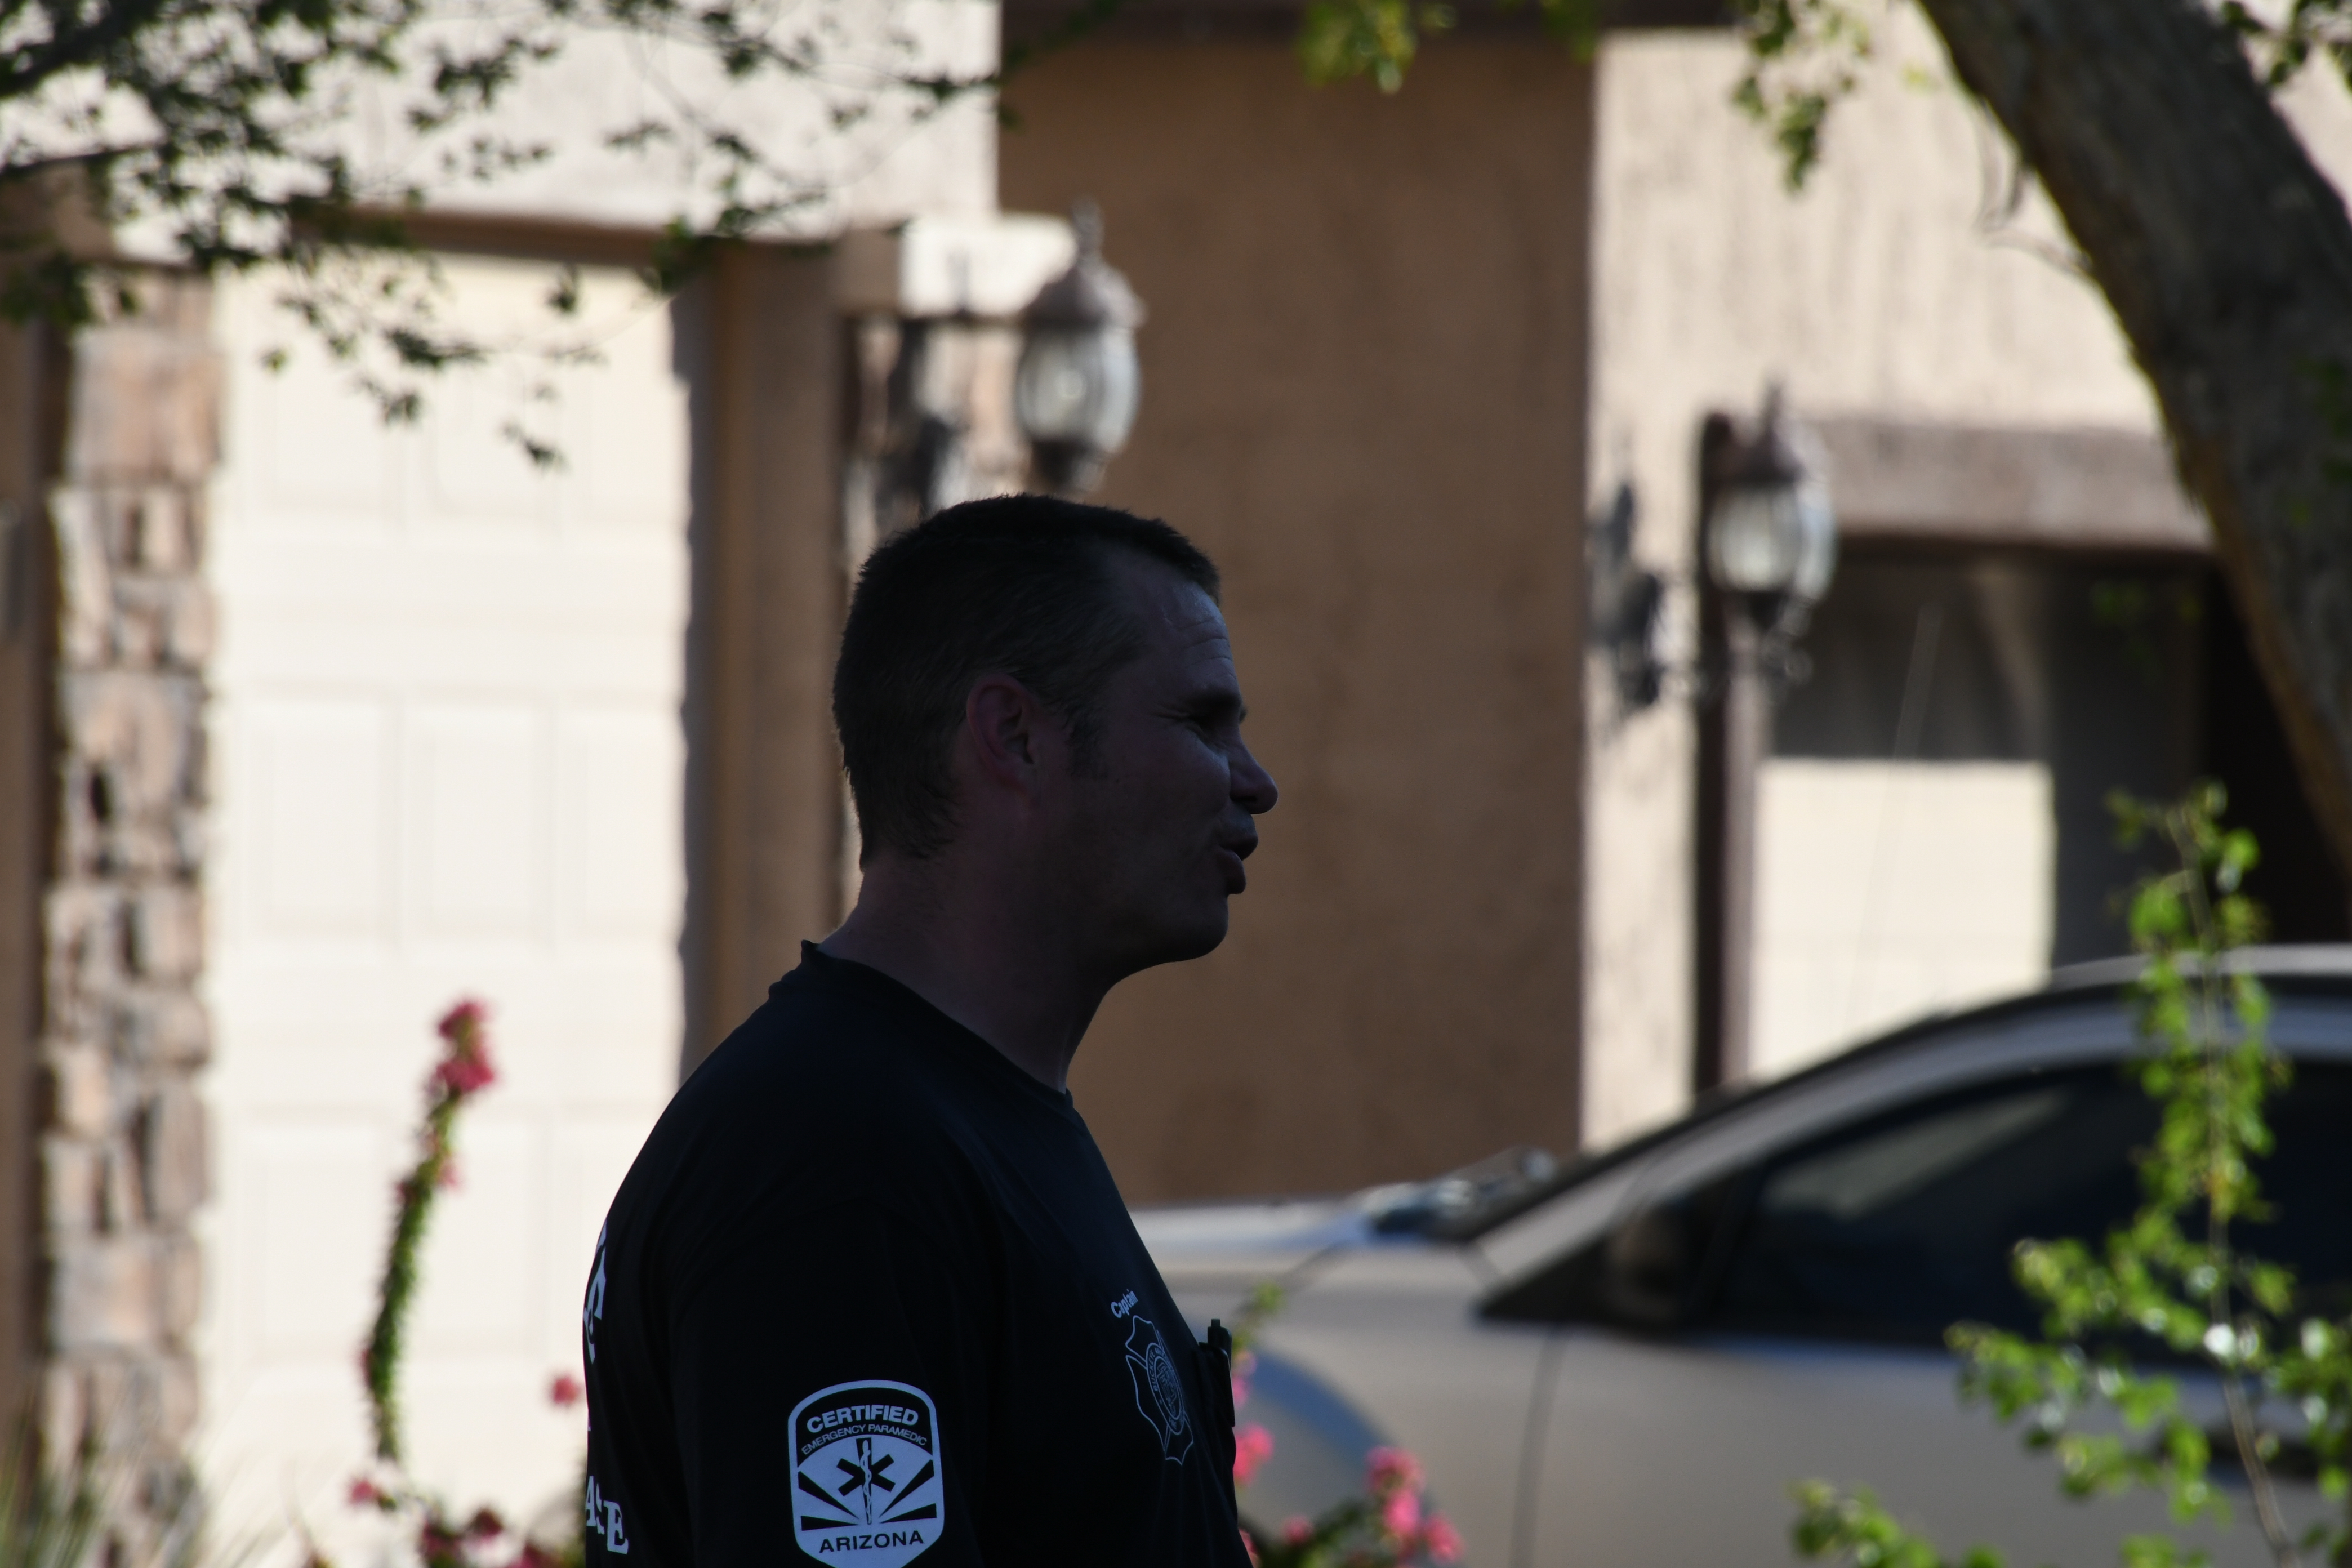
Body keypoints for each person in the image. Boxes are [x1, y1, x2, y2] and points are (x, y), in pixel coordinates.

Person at [580, 495, 1280, 1568]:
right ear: (1014, 737)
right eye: (1201, 722)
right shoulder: (844, 1164)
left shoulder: (949, 1118)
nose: (1254, 783)